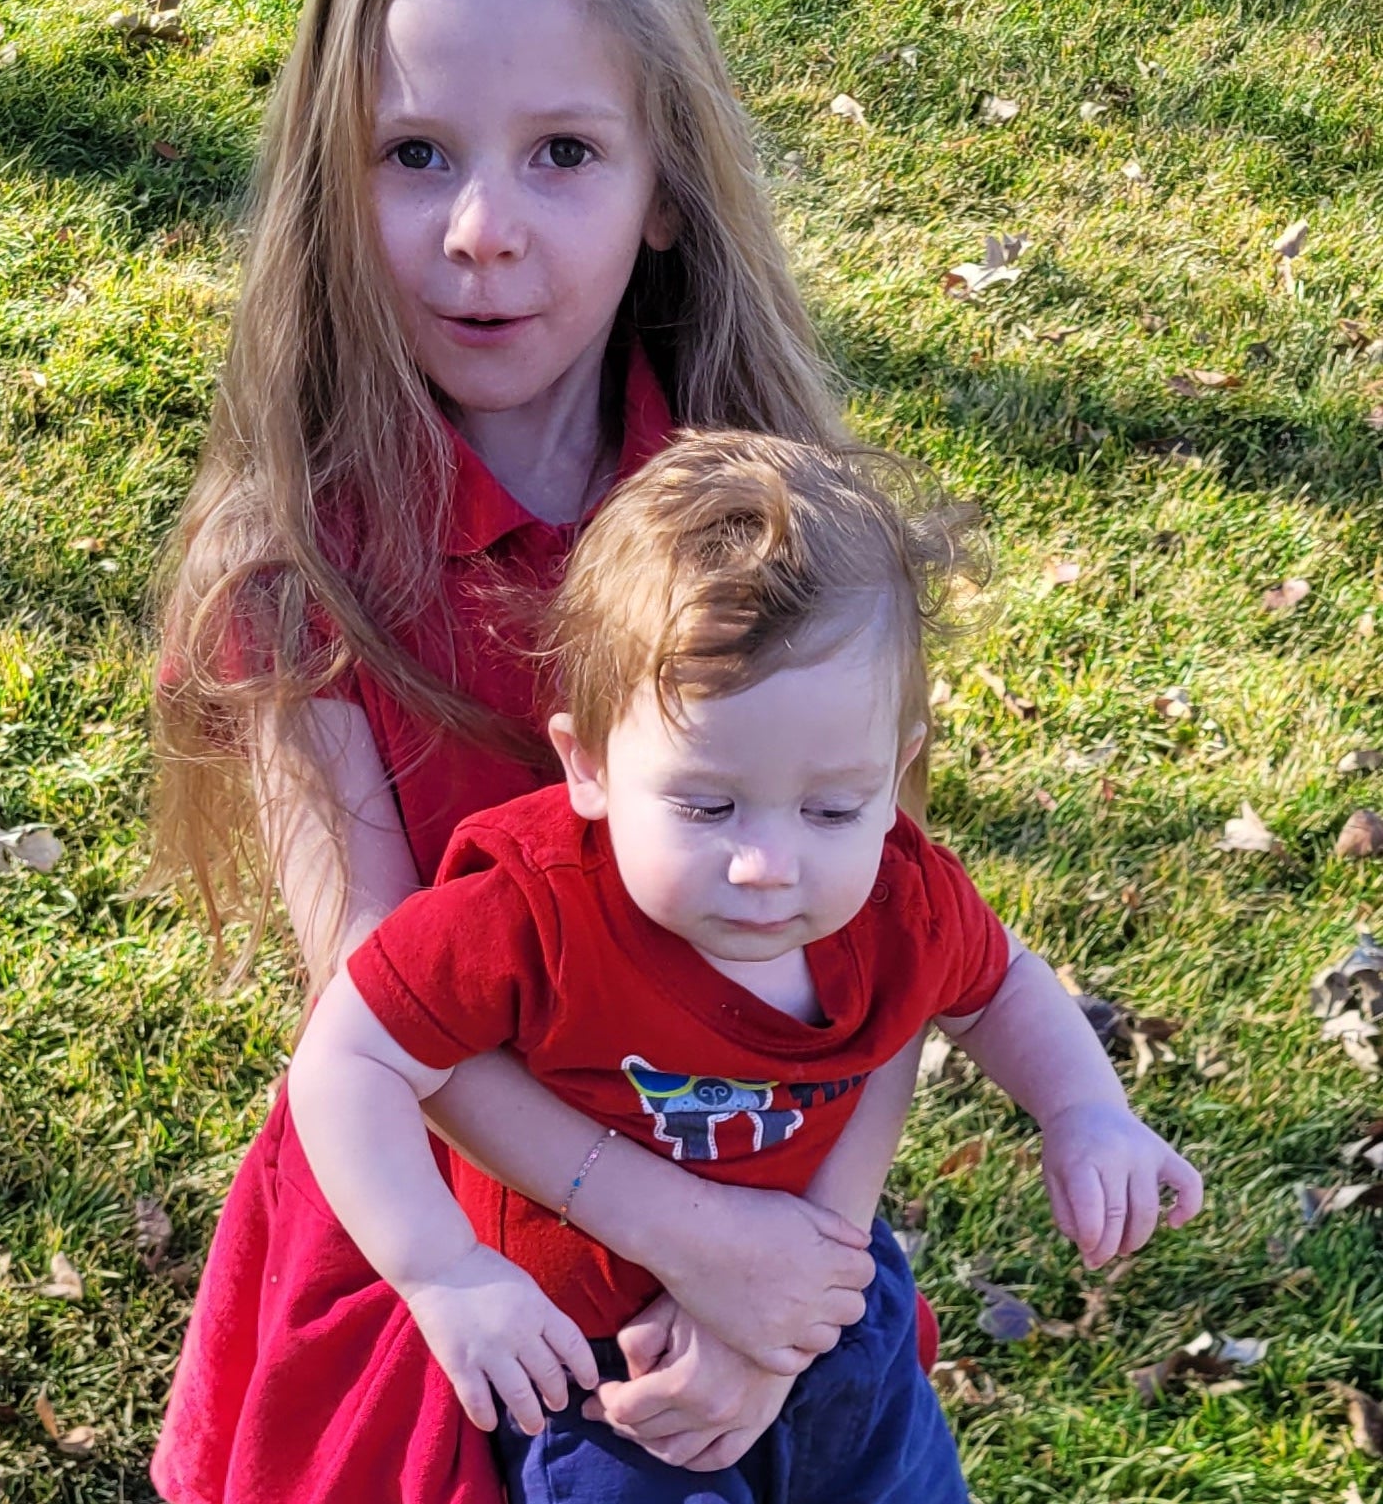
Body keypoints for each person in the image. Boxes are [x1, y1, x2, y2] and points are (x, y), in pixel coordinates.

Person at [150, 0, 921, 1503]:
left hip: (759, 1221)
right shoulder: (301, 574)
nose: (482, 227)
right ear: (331, 184)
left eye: (563, 152)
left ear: (666, 191)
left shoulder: (772, 538)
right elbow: (374, 1001)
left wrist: (792, 1276)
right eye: (414, 153)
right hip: (446, 1252)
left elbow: (889, 936)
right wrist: (684, 1233)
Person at [287, 431, 1205, 1502]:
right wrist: (443, 1271)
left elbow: (998, 984)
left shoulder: (899, 896)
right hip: (613, 1385)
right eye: (707, 804)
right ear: (589, 763)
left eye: (832, 806)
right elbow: (347, 1057)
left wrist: (1084, 1108)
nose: (768, 864)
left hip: (836, 1316)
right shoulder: (533, 909)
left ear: (896, 767)